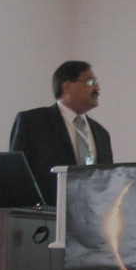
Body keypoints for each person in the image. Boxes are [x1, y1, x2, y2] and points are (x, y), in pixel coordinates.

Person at [9, 60, 114, 204]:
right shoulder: (32, 122)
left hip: (91, 213)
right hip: (46, 213)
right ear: (67, 86)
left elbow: (107, 181)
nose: (97, 87)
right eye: (90, 82)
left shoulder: (102, 134)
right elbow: (17, 174)